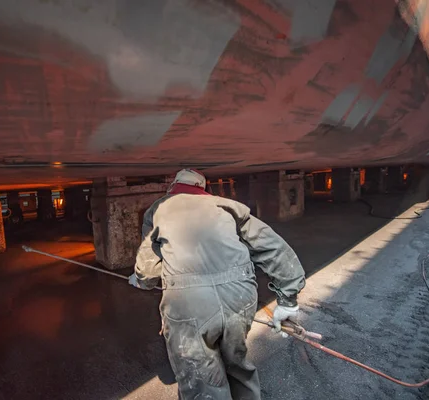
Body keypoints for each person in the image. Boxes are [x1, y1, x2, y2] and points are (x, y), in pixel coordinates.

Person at [128, 169, 306, 400]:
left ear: (173, 187)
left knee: (201, 379)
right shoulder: (228, 207)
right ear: (203, 188)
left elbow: (148, 267)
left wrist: (141, 280)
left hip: (190, 304)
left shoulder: (160, 208)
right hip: (239, 296)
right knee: (237, 364)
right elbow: (273, 247)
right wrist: (287, 301)